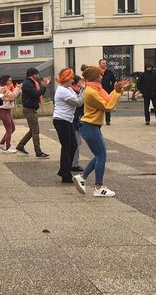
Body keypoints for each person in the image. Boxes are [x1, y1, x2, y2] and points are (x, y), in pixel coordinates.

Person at [72, 64, 130, 198]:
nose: (101, 76)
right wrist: (116, 92)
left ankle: (82, 177)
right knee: (101, 156)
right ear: (94, 77)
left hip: (91, 126)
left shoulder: (95, 88)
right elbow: (108, 106)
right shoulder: (91, 91)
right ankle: (98, 187)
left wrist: (118, 90)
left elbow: (108, 99)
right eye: (99, 75)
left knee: (99, 155)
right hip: (89, 126)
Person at [52, 68, 85, 184]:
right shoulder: (63, 91)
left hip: (67, 120)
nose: (73, 79)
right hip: (61, 120)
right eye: (71, 77)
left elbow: (77, 97)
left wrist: (81, 88)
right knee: (67, 147)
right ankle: (65, 174)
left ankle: (64, 170)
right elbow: (78, 102)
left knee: (73, 145)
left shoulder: (68, 88)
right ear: (67, 78)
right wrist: (84, 90)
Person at [16, 68, 51, 158]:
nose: (38, 76)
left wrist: (43, 85)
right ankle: (38, 152)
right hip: (29, 109)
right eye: (37, 74)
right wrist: (44, 86)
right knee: (35, 130)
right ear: (32, 75)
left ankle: (20, 145)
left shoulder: (31, 82)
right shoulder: (28, 84)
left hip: (31, 109)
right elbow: (36, 94)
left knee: (32, 130)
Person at [0, 75, 21, 153]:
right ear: (5, 81)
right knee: (9, 129)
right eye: (9, 80)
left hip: (7, 110)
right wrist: (17, 88)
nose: (11, 82)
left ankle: (1, 143)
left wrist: (16, 90)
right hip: (3, 110)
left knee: (12, 128)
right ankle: (8, 147)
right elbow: (13, 96)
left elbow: (12, 97)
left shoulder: (6, 88)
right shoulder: (3, 88)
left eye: (11, 80)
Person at [71, 75, 85, 172]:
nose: (81, 84)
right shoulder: (73, 92)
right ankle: (74, 164)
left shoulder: (75, 91)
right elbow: (79, 102)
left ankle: (73, 163)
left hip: (75, 120)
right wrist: (84, 90)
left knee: (76, 142)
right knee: (76, 142)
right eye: (79, 82)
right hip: (73, 121)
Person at [99, 59, 116, 125]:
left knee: (107, 106)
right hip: (99, 91)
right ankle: (99, 119)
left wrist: (113, 89)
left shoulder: (109, 72)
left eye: (105, 63)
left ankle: (108, 120)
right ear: (99, 64)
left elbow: (114, 81)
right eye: (103, 63)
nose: (105, 64)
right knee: (99, 105)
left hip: (107, 91)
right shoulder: (97, 72)